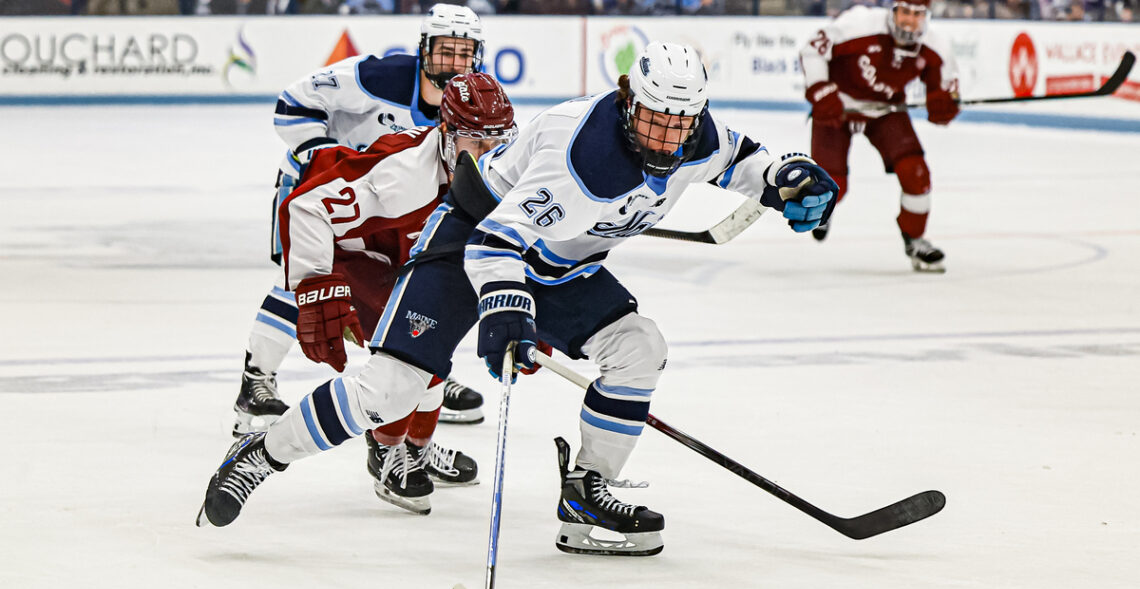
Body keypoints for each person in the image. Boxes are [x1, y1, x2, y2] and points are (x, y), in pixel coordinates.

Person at [198, 42, 836, 556]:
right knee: (389, 391)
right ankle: (262, 455)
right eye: (652, 120)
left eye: (679, 123)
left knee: (639, 348)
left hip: (560, 263)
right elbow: (495, 245)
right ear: (626, 101)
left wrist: (784, 176)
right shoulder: (582, 157)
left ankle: (588, 491)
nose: (666, 138)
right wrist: (506, 310)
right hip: (466, 245)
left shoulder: (691, 133)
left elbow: (741, 157)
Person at [199, 73, 517, 525]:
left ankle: (410, 451)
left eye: (498, 142)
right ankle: (293, 452)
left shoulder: (507, 168)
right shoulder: (402, 174)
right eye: (474, 141)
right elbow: (308, 208)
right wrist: (315, 287)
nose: (489, 156)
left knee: (426, 362)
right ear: (446, 134)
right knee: (403, 374)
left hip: (413, 260)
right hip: (353, 252)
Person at [233, 3, 488, 452]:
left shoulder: (469, 105)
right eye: (444, 50)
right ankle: (256, 385)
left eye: (463, 53)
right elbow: (293, 102)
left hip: (386, 212)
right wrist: (327, 162)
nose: (454, 63)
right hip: (321, 196)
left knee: (414, 288)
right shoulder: (379, 77)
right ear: (424, 49)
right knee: (300, 282)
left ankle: (418, 371)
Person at [800, 0, 959, 272]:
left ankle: (916, 239)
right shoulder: (860, 24)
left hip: (886, 112)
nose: (909, 21)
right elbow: (812, 50)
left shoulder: (936, 47)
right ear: (893, 11)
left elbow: (946, 90)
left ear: (927, 17)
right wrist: (820, 90)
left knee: (916, 173)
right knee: (832, 185)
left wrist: (944, 104)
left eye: (917, 15)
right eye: (905, 13)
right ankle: (823, 210)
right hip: (838, 108)